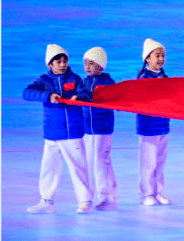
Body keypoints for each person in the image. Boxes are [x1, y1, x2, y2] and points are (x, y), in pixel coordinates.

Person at [23, 44, 94, 214]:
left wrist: (79, 97)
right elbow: (27, 92)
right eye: (58, 61)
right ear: (49, 64)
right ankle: (47, 201)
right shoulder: (43, 81)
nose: (62, 65)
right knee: (49, 167)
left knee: (78, 166)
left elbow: (87, 94)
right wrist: (48, 96)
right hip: (53, 133)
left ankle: (85, 201)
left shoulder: (75, 79)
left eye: (65, 61)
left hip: (72, 133)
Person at [82, 47, 118, 211]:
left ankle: (107, 197)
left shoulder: (108, 83)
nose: (88, 67)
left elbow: (117, 101)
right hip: (87, 130)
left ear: (101, 66)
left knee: (101, 162)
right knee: (92, 162)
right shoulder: (84, 82)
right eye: (85, 63)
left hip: (102, 129)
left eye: (91, 63)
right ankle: (95, 195)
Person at [137, 38, 172, 206]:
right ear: (147, 58)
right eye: (157, 55)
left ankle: (158, 191)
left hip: (163, 125)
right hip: (148, 127)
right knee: (148, 162)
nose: (160, 59)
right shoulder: (143, 79)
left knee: (160, 161)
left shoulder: (165, 79)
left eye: (163, 55)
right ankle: (146, 193)